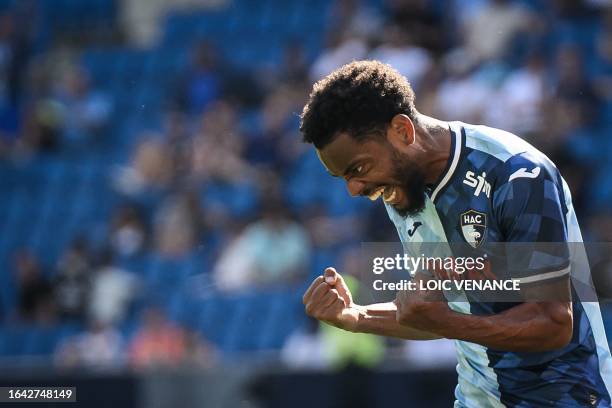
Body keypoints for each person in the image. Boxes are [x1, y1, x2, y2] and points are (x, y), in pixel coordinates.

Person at [299, 60, 612, 407]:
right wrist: (356, 317)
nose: (354, 190)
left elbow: (553, 323)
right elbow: (443, 313)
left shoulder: (516, 175)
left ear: (402, 131)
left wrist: (448, 322)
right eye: (343, 177)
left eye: (358, 169)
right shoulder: (403, 187)